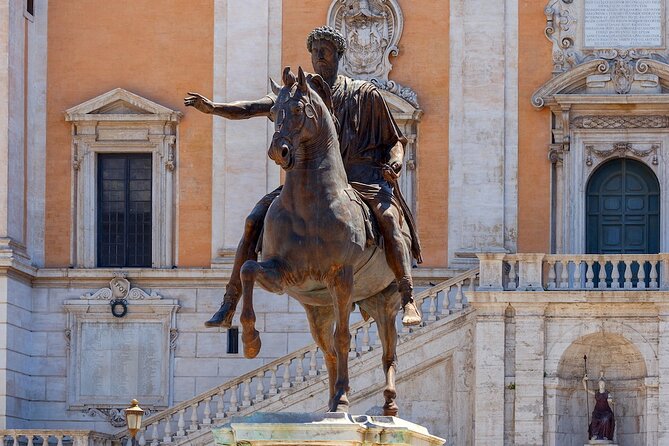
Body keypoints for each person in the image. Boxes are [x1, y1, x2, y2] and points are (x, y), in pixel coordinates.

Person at [185, 26, 422, 328]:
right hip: (313, 181)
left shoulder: (364, 94)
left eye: (325, 50)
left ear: (339, 55)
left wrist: (395, 164)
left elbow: (394, 142)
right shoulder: (297, 97)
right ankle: (230, 301)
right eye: (314, 51)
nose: (319, 56)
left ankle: (407, 296)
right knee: (253, 219)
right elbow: (251, 109)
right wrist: (214, 108)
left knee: (388, 219)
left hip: (362, 176)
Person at [583, 372, 615, 441]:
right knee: (594, 419)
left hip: (606, 411)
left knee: (605, 419)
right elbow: (586, 389)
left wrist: (611, 401)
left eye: (603, 384)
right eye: (600, 384)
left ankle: (605, 435)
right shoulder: (596, 393)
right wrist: (584, 380)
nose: (602, 385)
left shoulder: (607, 393)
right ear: (598, 385)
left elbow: (611, 399)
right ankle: (595, 435)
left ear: (605, 385)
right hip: (597, 411)